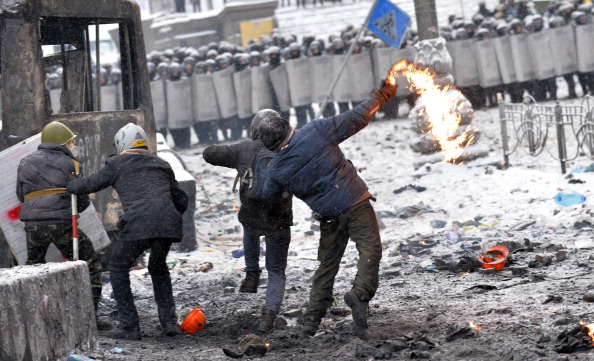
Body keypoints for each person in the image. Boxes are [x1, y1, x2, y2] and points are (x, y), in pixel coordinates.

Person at [255, 73, 398, 340]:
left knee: (327, 267)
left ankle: (311, 321)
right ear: (286, 125)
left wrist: (267, 165)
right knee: (370, 250)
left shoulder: (276, 169)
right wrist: (381, 95)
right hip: (355, 201)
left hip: (329, 216)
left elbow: (268, 198)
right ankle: (360, 293)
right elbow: (357, 117)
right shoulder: (316, 130)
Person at [66, 123, 188, 340]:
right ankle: (169, 323)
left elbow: (87, 186)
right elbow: (180, 198)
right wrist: (167, 216)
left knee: (118, 267)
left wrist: (69, 183)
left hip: (140, 222)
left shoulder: (117, 163)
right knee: (158, 267)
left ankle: (130, 326)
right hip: (169, 223)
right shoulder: (161, 163)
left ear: (122, 144)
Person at [203, 110, 293, 334]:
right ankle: (269, 315)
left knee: (249, 228)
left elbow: (209, 154)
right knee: (276, 271)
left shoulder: (244, 148)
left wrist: (235, 156)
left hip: (252, 215)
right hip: (279, 218)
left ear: (255, 130)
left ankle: (252, 274)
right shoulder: (290, 150)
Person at [16, 121, 109, 330]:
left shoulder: (25, 161)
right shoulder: (71, 164)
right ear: (64, 142)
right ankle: (90, 319)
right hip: (62, 224)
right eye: (71, 141)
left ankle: (33, 320)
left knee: (33, 270)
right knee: (90, 264)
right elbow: (82, 202)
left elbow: (21, 195)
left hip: (32, 224)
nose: (72, 145)